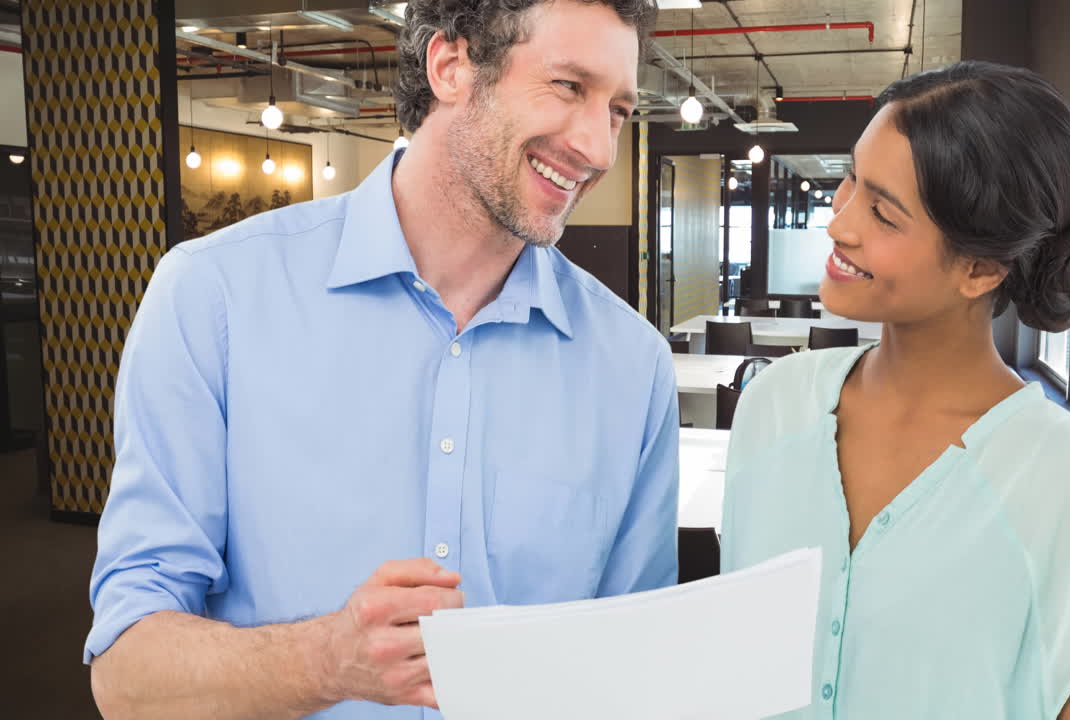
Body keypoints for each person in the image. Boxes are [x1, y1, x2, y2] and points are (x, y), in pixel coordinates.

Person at [86, 1, 674, 717]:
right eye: (568, 86)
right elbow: (125, 677)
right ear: (451, 66)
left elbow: (637, 670)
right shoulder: (213, 298)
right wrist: (326, 660)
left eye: (617, 109)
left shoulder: (633, 366)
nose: (600, 147)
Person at [721, 61, 1070, 719]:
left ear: (980, 268)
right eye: (851, 179)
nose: (838, 223)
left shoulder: (1057, 476)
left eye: (881, 212)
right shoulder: (774, 406)